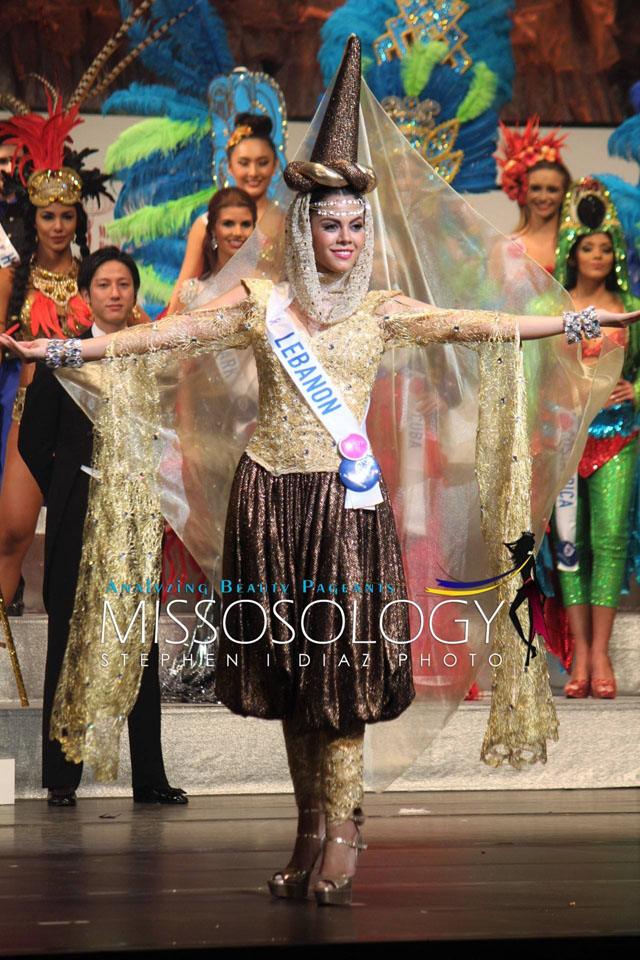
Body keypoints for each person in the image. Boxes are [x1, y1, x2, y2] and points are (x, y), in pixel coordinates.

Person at [2, 39, 634, 903]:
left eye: (355, 224)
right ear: (303, 227)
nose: (344, 237)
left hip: (344, 509)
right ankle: (306, 829)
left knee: (336, 681)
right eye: (328, 223)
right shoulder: (261, 304)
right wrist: (68, 345)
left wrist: (567, 328)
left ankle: (345, 830)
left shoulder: (383, 309)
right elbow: (165, 337)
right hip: (268, 504)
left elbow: (476, 324)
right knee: (296, 680)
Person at [17, 246, 187, 807]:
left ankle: (150, 778)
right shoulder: (62, 359)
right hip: (78, 515)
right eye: (104, 285)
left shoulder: (151, 358)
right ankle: (62, 779)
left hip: (138, 514)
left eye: (124, 285)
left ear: (135, 293)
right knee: (69, 637)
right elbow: (33, 443)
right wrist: (71, 488)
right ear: (85, 295)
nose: (115, 293)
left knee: (140, 641)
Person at [0, 99, 147, 616]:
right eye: (48, 216)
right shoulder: (13, 278)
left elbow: (143, 331)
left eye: (67, 216)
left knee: (86, 531)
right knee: (13, 532)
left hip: (94, 419)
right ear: (32, 218)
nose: (58, 226)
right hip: (28, 412)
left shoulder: (101, 277)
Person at [551, 178, 640, 699]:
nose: (599, 255)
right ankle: (579, 652)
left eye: (607, 248)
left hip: (620, 438)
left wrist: (636, 388)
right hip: (565, 440)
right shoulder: (554, 305)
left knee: (608, 542)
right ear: (573, 250)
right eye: (590, 247)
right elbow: (536, 368)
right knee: (569, 545)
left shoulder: (631, 305)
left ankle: (600, 651)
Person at [167, 114, 279, 314]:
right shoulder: (205, 223)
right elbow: (185, 285)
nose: (253, 172)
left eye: (262, 162)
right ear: (228, 166)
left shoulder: (286, 223)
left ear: (275, 165)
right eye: (244, 163)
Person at [497, 116, 571, 272]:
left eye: (552, 189)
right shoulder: (503, 249)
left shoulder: (576, 247)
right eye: (536, 188)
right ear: (523, 190)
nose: (543, 197)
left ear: (565, 193)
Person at [173, 187, 257, 310]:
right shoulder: (193, 292)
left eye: (245, 224)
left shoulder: (263, 284)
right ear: (213, 229)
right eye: (228, 224)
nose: (238, 232)